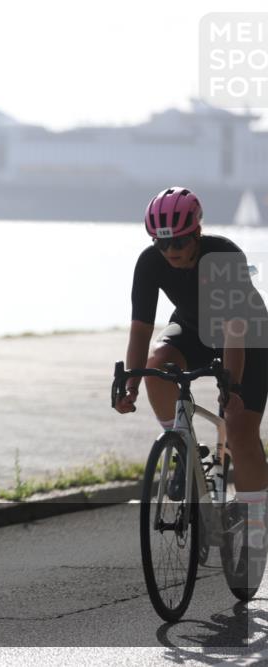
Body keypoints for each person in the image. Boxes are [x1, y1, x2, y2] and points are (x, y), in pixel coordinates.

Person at [114, 186, 268, 558]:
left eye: (179, 241)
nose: (171, 251)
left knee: (239, 428)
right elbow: (140, 329)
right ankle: (183, 448)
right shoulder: (150, 263)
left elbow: (234, 329)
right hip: (193, 328)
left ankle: (255, 525)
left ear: (196, 232)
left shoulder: (223, 256)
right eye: (162, 243)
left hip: (246, 334)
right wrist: (130, 382)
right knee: (158, 364)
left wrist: (229, 387)